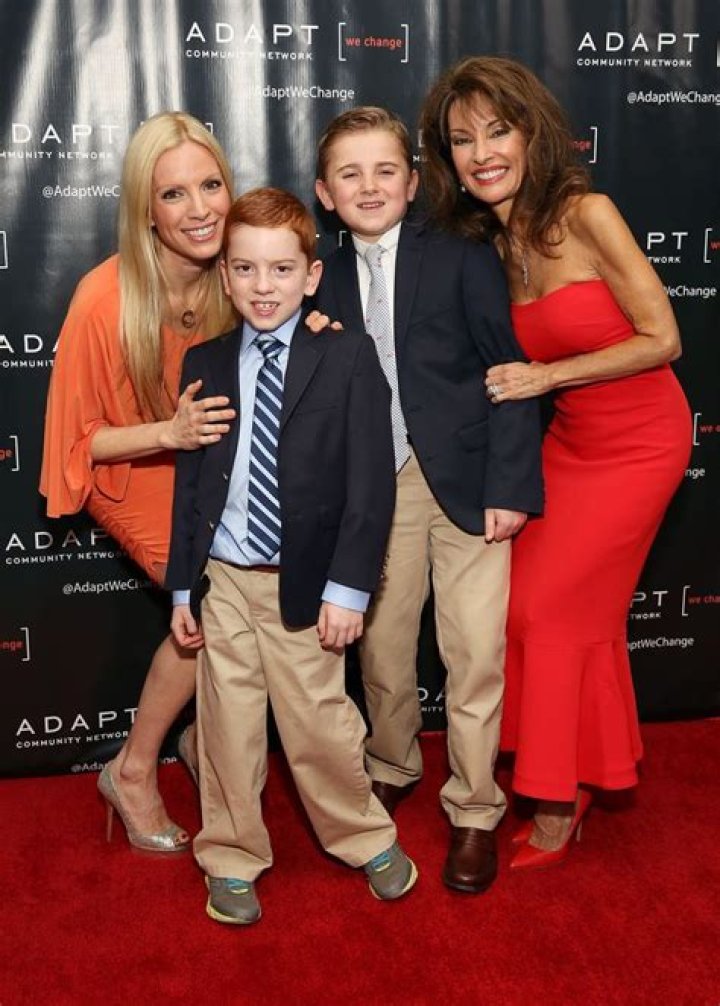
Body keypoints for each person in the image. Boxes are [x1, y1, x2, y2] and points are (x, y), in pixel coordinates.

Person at [420, 56, 692, 868]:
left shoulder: (586, 214)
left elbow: (663, 339)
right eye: (462, 139)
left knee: (553, 614)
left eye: (497, 131)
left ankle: (558, 799)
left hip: (641, 443)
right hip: (568, 445)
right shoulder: (488, 244)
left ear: (532, 132)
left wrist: (546, 377)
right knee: (526, 611)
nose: (482, 153)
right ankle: (574, 769)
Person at [166, 187, 417, 924]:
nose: (263, 286)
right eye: (245, 269)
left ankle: (365, 836)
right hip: (224, 578)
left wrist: (350, 588)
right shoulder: (206, 361)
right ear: (225, 277)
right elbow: (192, 485)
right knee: (227, 724)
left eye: (281, 270)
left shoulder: (346, 355)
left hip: (304, 584)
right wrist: (182, 588)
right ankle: (230, 854)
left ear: (311, 276)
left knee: (318, 723)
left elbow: (371, 484)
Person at [314, 107, 543, 894]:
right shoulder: (316, 279)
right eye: (350, 174)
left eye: (386, 170)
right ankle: (391, 761)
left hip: (470, 484)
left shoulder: (461, 255)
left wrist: (510, 485)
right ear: (325, 193)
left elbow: (509, 372)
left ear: (412, 183)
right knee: (381, 648)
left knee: (474, 652)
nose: (369, 186)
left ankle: (475, 808)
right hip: (376, 486)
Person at [40, 112, 240, 852]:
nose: (200, 210)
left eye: (210, 186)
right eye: (174, 195)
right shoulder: (104, 298)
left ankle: (198, 740)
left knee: (259, 582)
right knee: (214, 602)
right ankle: (130, 770)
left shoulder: (234, 272)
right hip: (128, 469)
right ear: (146, 211)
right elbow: (77, 444)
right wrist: (169, 434)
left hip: (203, 461)